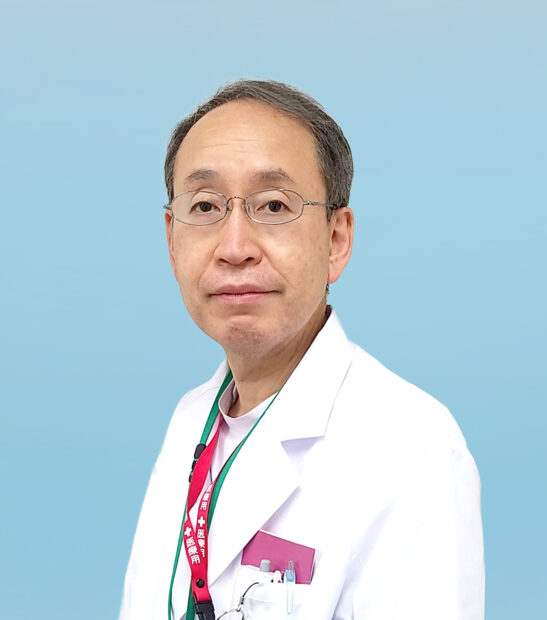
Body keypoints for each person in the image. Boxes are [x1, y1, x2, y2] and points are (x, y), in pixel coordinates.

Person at [119, 80, 484, 620]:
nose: (235, 248)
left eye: (273, 205)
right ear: (172, 240)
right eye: (205, 205)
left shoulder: (413, 447)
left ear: (336, 239)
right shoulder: (189, 422)